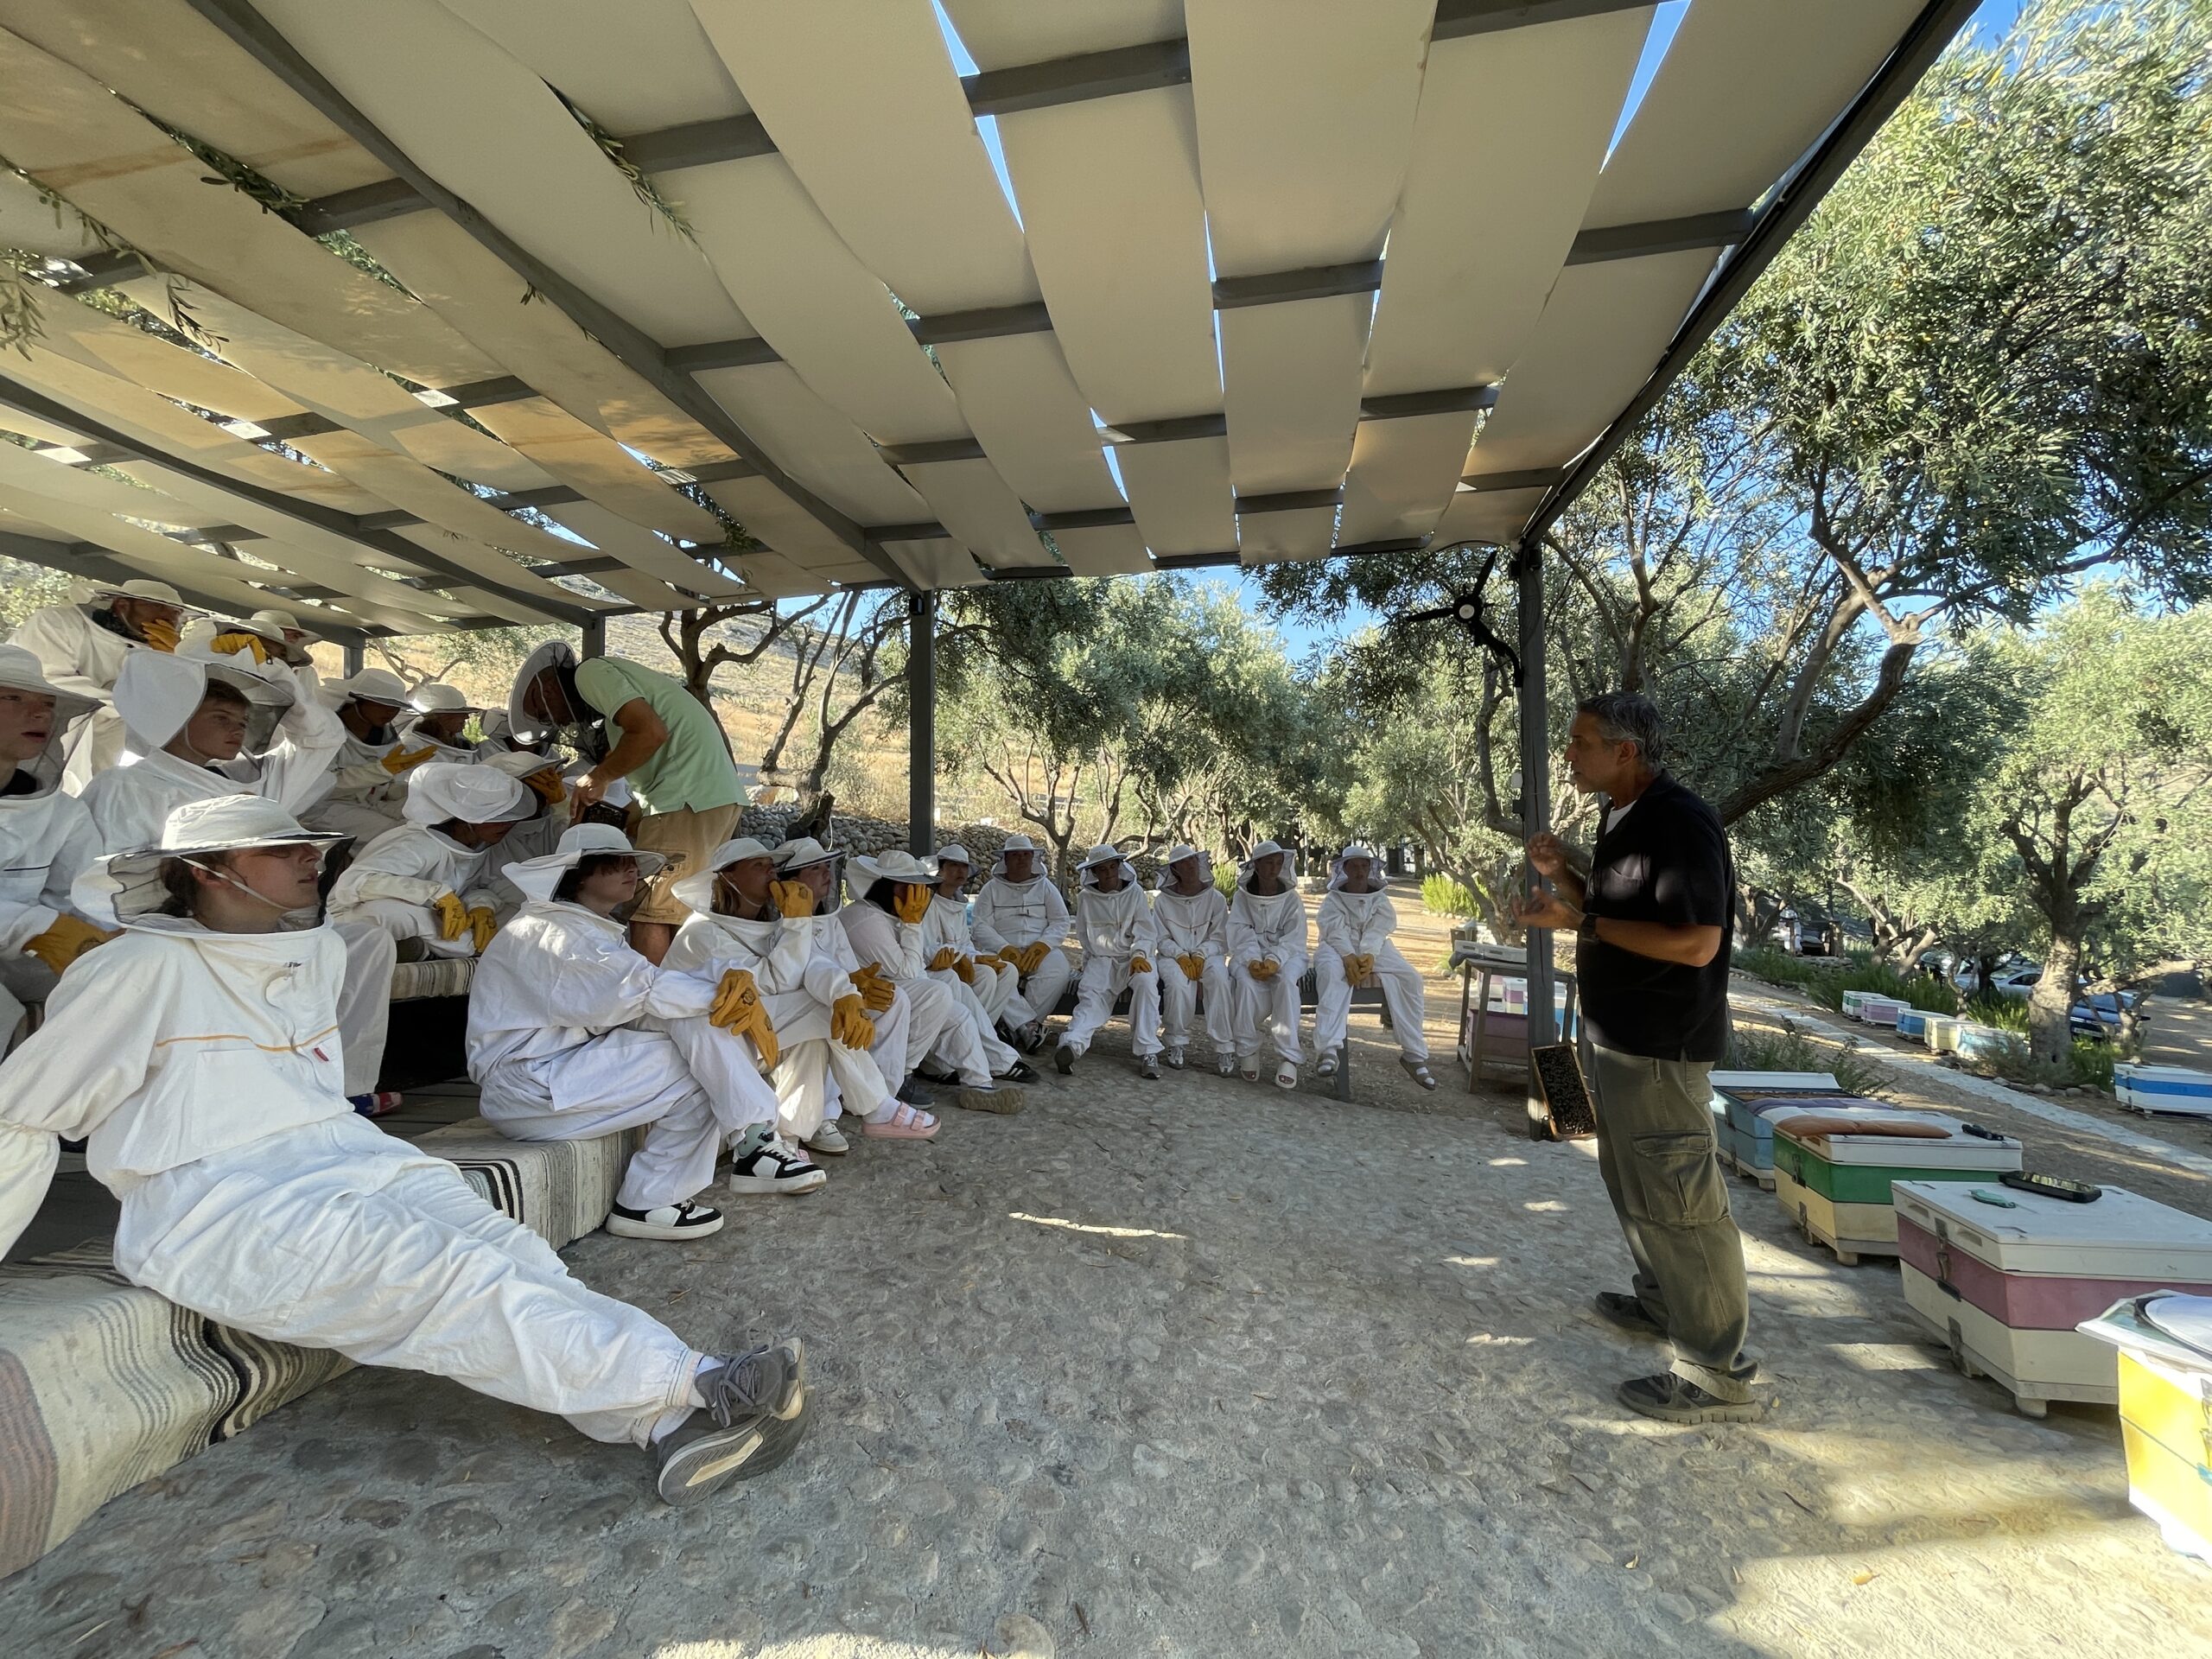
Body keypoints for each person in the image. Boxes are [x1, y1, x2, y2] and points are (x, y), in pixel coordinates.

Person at [0, 794, 809, 1506]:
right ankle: (698, 1380)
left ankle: (665, 1425)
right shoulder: (134, 968)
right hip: (220, 1200)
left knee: (510, 1253)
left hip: (349, 1157)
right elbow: (24, 1115)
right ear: (206, 872)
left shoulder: (319, 949)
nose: (309, 861)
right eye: (280, 851)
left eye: (308, 846)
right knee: (447, 1279)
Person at [1513, 690, 1756, 1426]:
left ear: (1625, 751)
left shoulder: (1679, 821)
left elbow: (1697, 943)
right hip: (1619, 1041)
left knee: (1680, 1204)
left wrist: (1579, 921)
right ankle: (1662, 1302)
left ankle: (1716, 1372)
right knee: (1632, 1184)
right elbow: (1617, 913)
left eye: (1581, 742)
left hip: (1660, 1047)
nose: (1568, 754)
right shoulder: (1621, 815)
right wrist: (1564, 879)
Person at [77, 644, 395, 1107]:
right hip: (183, 930)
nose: (237, 730)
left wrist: (282, 676)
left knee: (362, 942)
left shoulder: (247, 784)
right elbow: (116, 876)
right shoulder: (127, 785)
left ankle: (341, 1090)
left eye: (243, 721)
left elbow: (321, 739)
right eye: (221, 718)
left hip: (255, 925)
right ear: (175, 717)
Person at [467, 823, 821, 1238]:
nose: (631, 870)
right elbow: (642, 991)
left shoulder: (582, 927)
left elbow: (640, 1000)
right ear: (578, 874)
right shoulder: (556, 934)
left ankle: (686, 1181)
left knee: (703, 1042)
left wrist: (727, 983)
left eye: (632, 862)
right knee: (703, 1052)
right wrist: (727, 995)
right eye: (615, 863)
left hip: (560, 1075)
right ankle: (743, 1147)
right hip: (531, 1087)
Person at [666, 837, 923, 1154]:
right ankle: (877, 1106)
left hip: (751, 1029)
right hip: (708, 1038)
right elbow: (775, 982)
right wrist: (799, 925)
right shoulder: (701, 932)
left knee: (817, 1032)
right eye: (758, 866)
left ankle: (789, 1138)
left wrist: (846, 992)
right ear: (728, 877)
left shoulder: (771, 922)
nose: (770, 872)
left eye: (771, 865)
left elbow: (812, 963)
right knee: (821, 1009)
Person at [509, 641, 745, 963]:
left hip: (684, 798)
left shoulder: (590, 673)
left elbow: (650, 733)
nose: (558, 723)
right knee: (679, 909)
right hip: (708, 799)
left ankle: (646, 995)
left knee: (650, 910)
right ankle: (674, 990)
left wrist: (599, 777)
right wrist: (616, 816)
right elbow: (650, 767)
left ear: (548, 689)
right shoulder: (619, 705)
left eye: (543, 712)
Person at [770, 836, 941, 1142]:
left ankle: (882, 1094)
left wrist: (858, 982)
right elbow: (800, 971)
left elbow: (847, 967)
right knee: (830, 1013)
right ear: (790, 880)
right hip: (787, 1010)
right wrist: (845, 990)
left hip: (830, 993)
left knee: (894, 998)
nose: (826, 873)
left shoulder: (831, 921)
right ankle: (832, 1112)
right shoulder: (786, 923)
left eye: (827, 866)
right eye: (815, 868)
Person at [839, 847, 1029, 1111]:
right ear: (892, 887)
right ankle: (900, 1074)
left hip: (889, 989)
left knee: (959, 1013)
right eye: (911, 886)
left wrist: (956, 957)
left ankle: (980, 1084)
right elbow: (907, 971)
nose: (920, 893)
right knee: (937, 992)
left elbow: (916, 961)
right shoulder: (866, 919)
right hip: (860, 998)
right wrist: (913, 923)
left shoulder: (886, 915)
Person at [0, 646, 108, 1039]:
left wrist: (109, 945)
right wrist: (37, 926)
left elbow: (86, 895)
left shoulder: (64, 814)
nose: (40, 714)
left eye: (47, 704)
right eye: (14, 698)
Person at [327, 762, 534, 959]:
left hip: (428, 916)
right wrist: (433, 893)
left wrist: (481, 906)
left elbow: (474, 887)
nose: (508, 824)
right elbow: (351, 884)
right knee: (390, 913)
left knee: (519, 912)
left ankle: (431, 948)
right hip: (349, 917)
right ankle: (465, 948)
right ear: (465, 818)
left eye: (511, 817)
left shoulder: (476, 846)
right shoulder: (419, 845)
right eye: (498, 818)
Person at [10, 577, 189, 789]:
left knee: (91, 788)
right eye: (158, 607)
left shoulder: (156, 651)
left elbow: (166, 708)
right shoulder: (58, 621)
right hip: (30, 723)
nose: (169, 617)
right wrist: (127, 706)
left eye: (176, 612)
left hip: (104, 738)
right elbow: (48, 682)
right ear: (122, 605)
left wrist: (174, 662)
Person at [1313, 844, 1437, 1090]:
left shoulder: (1380, 898)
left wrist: (1369, 954)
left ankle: (1414, 1053)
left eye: (1364, 866)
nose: (1360, 871)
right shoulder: (1333, 899)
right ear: (1344, 869)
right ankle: (1328, 1050)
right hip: (1335, 948)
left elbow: (1380, 928)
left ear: (1370, 868)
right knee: (1331, 974)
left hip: (1376, 948)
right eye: (1354, 866)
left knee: (1411, 978)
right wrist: (1348, 955)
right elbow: (1333, 930)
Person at [923, 843, 1044, 1053]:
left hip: (960, 961)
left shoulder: (958, 904)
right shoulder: (925, 902)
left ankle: (978, 1036)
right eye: (953, 866)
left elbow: (964, 942)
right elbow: (926, 946)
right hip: (935, 968)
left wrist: (977, 957)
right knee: (986, 975)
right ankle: (978, 1042)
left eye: (963, 866)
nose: (960, 871)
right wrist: (972, 958)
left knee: (1007, 970)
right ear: (940, 869)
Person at [1056, 844, 1163, 1080]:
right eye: (1102, 870)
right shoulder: (1086, 898)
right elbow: (1084, 935)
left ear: (1119, 867)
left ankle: (1149, 1052)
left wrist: (1140, 954)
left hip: (1135, 958)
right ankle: (1071, 1045)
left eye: (1112, 867)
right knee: (1091, 998)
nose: (1109, 874)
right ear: (1094, 872)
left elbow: (1146, 930)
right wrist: (1089, 962)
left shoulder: (1135, 893)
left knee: (1146, 985)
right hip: (1101, 959)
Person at [306, 666, 437, 842]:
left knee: (428, 821)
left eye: (396, 706)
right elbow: (320, 787)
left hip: (368, 804)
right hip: (323, 809)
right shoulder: (325, 733)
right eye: (382, 704)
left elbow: (385, 789)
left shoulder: (386, 736)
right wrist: (380, 770)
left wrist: (417, 790)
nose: (390, 712)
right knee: (396, 835)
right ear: (358, 701)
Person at [969, 834, 1071, 1037]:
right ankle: (1028, 1028)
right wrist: (1003, 948)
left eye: (1026, 854)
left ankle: (1019, 1026)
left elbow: (1061, 921)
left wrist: (1043, 945)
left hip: (1039, 951)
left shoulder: (1046, 887)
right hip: (1000, 949)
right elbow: (979, 925)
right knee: (993, 972)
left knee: (1059, 970)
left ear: (1033, 858)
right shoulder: (991, 889)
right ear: (1005, 860)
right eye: (1016, 855)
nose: (1022, 859)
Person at [1227, 841, 1308, 1089]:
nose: (1274, 868)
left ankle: (1289, 1056)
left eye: (1278, 863)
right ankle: (1247, 1048)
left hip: (1289, 956)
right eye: (1269, 863)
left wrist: (1275, 958)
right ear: (1256, 865)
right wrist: (1252, 959)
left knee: (1286, 984)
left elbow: (1295, 937)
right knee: (1245, 983)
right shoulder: (1242, 897)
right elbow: (1240, 930)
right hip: (1247, 956)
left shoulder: (1291, 898)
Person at [1151, 844, 1235, 1076]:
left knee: (1220, 979)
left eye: (1193, 860)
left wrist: (1201, 953)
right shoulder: (1162, 902)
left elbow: (1220, 938)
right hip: (1171, 957)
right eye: (1183, 863)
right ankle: (1176, 1042)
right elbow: (1160, 938)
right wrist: (1179, 954)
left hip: (1209, 956)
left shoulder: (1216, 899)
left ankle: (1225, 1046)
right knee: (1178, 984)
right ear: (1174, 869)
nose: (1190, 866)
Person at [478, 747, 572, 921]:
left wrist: (562, 807)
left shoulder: (557, 820)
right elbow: (475, 885)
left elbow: (579, 850)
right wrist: (481, 903)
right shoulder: (489, 830)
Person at [396, 682, 484, 763]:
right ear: (439, 716)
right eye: (459, 713)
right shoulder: (412, 748)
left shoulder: (460, 744)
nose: (466, 717)